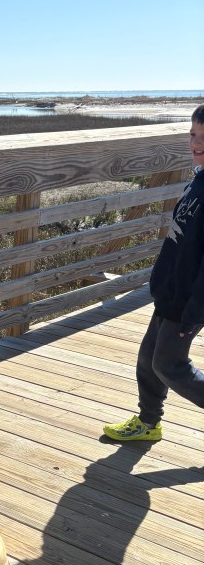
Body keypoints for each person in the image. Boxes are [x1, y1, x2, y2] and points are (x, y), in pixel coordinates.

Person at [104, 105, 204, 442]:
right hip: (171, 290)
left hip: (189, 299)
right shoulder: (199, 178)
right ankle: (148, 423)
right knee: (148, 359)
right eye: (193, 134)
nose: (196, 143)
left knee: (169, 365)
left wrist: (194, 312)